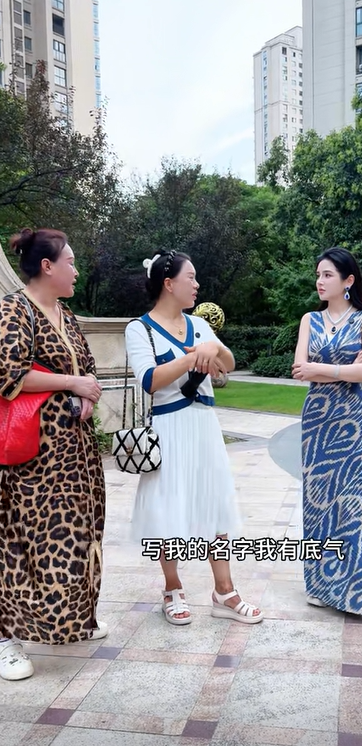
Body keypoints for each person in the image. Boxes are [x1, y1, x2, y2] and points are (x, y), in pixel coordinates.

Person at [124, 249, 263, 625]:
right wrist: (192, 357)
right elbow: (150, 380)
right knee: (168, 507)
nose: (197, 284)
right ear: (169, 284)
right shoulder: (139, 329)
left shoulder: (199, 325)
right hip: (169, 428)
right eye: (191, 277)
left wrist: (213, 347)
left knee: (215, 502)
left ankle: (225, 591)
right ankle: (172, 588)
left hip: (204, 426)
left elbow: (228, 363)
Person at [0, 228, 107, 682]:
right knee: (20, 539)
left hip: (74, 453)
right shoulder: (14, 309)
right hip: (33, 456)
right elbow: (8, 372)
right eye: (70, 261)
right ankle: (6, 639)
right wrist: (71, 383)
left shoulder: (65, 314)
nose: (76, 271)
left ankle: (69, 618)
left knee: (74, 534)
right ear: (47, 266)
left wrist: (86, 391)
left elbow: (88, 368)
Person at [292, 246, 362, 619]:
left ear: (348, 280)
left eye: (327, 275)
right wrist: (343, 368)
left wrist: (321, 369)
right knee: (318, 502)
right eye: (318, 275)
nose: (320, 281)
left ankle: (360, 589)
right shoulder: (310, 319)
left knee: (355, 501)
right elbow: (299, 369)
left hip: (351, 420)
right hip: (316, 420)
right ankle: (321, 585)